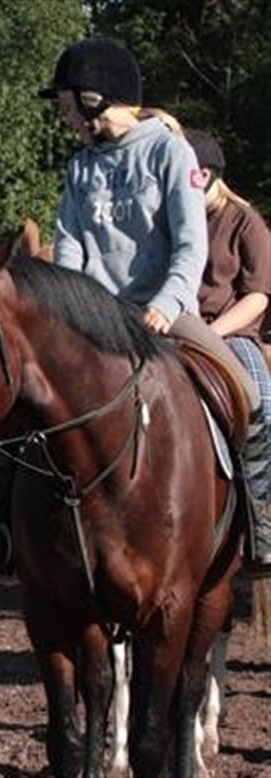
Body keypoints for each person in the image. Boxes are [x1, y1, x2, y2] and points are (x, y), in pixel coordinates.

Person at [0, 35, 260, 571]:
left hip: (162, 315)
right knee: (16, 407)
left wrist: (166, 303)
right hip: (93, 323)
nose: (63, 116)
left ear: (93, 97)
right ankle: (2, 525)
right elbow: (69, 252)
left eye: (66, 103)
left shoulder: (169, 153)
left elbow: (190, 245)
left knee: (255, 398)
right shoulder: (81, 168)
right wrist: (65, 317)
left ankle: (259, 524)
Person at [185, 128, 271, 568]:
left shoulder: (245, 222)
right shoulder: (177, 217)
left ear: (204, 175)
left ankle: (263, 519)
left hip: (232, 334)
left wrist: (215, 332)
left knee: (265, 408)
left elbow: (258, 296)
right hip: (173, 324)